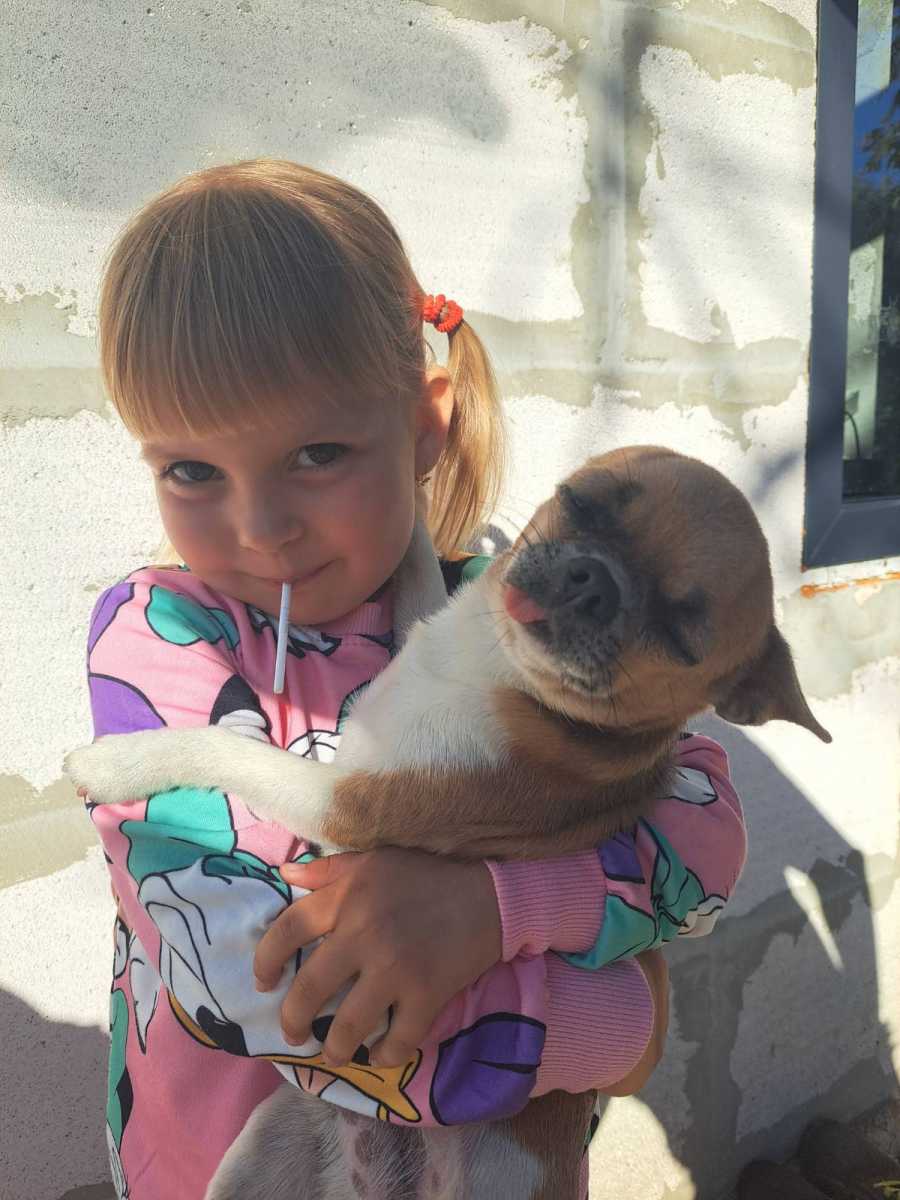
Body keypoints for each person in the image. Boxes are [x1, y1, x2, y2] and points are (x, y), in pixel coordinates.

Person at [81, 159, 747, 1200]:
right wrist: (620, 1017)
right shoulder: (161, 638)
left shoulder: (508, 612)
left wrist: (499, 908)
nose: (262, 527)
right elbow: (265, 990)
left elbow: (698, 826)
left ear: (426, 421)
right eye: (191, 470)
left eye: (317, 453)